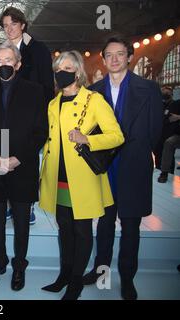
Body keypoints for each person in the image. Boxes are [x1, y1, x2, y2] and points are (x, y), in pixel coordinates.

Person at [39, 50, 124, 300]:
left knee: (82, 230)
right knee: (64, 228)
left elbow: (116, 136)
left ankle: (76, 281)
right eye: (57, 68)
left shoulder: (94, 100)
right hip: (58, 176)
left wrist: (87, 139)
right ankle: (64, 275)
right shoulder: (53, 102)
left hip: (83, 177)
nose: (61, 72)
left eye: (66, 68)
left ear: (77, 72)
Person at [83, 37, 163, 300]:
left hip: (133, 164)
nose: (115, 59)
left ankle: (127, 278)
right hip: (105, 167)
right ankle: (101, 271)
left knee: (131, 227)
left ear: (129, 57)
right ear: (103, 59)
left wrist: (138, 154)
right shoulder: (93, 91)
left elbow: (155, 130)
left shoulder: (148, 88)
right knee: (104, 225)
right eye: (109, 55)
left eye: (120, 54)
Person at [0, 43, 47, 291]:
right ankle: (0, 262)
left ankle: (19, 266)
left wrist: (17, 159)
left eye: (8, 60)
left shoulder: (35, 91)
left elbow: (40, 132)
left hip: (22, 164)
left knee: (20, 221)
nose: (3, 64)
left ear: (17, 64)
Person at [0, 6, 54, 224]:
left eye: (13, 24)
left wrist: (43, 115)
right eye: (5, 25)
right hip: (7, 114)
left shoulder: (38, 49)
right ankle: (10, 203)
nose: (9, 29)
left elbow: (47, 85)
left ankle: (28, 204)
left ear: (23, 25)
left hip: (31, 114)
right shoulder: (2, 51)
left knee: (27, 158)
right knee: (6, 158)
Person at [155, 85, 180, 183]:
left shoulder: (176, 104)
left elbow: (170, 118)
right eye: (163, 90)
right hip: (159, 133)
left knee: (169, 148)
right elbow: (159, 119)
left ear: (172, 93)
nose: (165, 92)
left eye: (168, 90)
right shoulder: (158, 105)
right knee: (158, 153)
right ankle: (159, 170)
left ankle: (169, 173)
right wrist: (168, 120)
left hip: (171, 132)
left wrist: (178, 117)